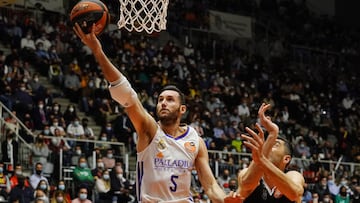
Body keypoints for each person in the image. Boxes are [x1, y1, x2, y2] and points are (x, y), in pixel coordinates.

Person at [74, 23, 232, 203]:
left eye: (170, 100)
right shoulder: (149, 130)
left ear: (182, 109)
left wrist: (226, 200)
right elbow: (127, 94)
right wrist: (97, 51)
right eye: (160, 99)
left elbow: (210, 186)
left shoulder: (196, 141)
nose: (163, 103)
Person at [227, 103, 305, 203]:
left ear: (286, 159)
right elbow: (247, 183)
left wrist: (273, 135)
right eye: (267, 144)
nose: (267, 147)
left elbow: (295, 193)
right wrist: (272, 134)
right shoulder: (247, 172)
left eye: (275, 144)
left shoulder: (293, 175)